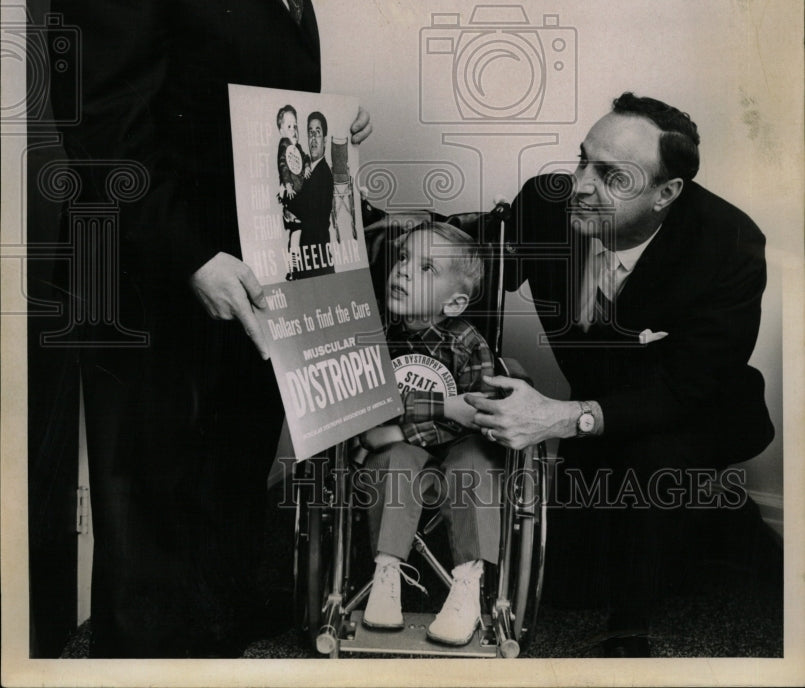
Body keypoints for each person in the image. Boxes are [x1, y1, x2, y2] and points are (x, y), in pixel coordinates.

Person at [48, 0, 370, 658]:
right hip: (158, 278)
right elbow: (104, 131)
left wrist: (320, 140)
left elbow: (235, 89)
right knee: (151, 512)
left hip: (249, 275)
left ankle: (219, 644)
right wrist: (191, 254)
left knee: (228, 476)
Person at [465, 92, 774, 657]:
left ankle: (714, 539)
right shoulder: (546, 203)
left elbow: (686, 388)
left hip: (693, 415)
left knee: (653, 498)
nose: (581, 184)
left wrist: (558, 417)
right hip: (601, 407)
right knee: (568, 591)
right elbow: (470, 259)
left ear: (666, 194)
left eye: (612, 176)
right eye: (583, 160)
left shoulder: (728, 244)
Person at [356, 222, 503, 647]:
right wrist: (428, 415)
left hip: (458, 453)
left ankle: (467, 587)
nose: (402, 271)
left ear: (455, 302)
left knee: (475, 461)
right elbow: (367, 418)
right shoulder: (378, 337)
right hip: (400, 458)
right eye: (402, 259)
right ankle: (386, 575)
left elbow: (478, 414)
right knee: (393, 457)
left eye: (425, 268)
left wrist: (405, 418)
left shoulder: (467, 343)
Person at [284, 111, 335, 278]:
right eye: (310, 133)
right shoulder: (308, 170)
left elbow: (306, 209)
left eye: (318, 133)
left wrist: (291, 209)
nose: (313, 138)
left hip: (316, 259)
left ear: (325, 139)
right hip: (307, 255)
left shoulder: (324, 174)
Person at [276, 104, 310, 278]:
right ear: (281, 130)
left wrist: (307, 166)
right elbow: (283, 164)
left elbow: (305, 159)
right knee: (296, 234)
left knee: (298, 235)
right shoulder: (284, 145)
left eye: (295, 126)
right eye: (289, 126)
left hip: (299, 198)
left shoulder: (298, 148)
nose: (293, 129)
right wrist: (287, 184)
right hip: (292, 198)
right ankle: (293, 268)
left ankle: (295, 269)